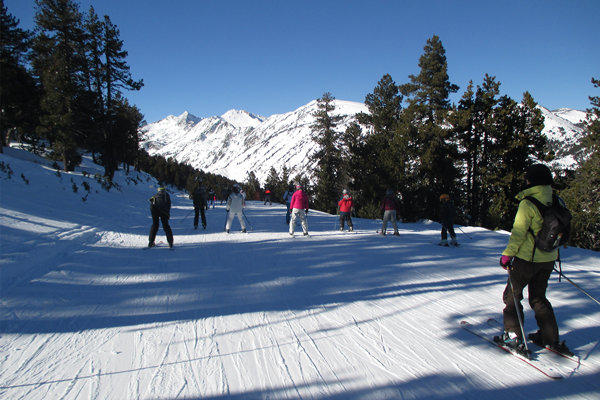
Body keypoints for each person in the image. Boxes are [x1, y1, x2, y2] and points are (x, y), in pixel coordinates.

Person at [496, 164, 571, 355]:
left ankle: (512, 336)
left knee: (512, 296)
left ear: (531, 181)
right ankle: (551, 338)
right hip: (548, 260)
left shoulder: (527, 203)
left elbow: (519, 233)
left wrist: (507, 255)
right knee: (538, 297)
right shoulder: (557, 200)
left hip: (526, 259)